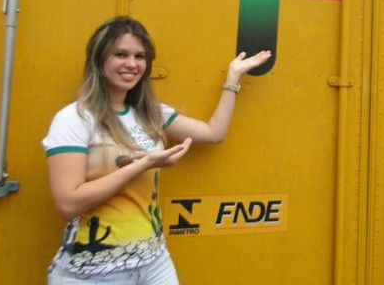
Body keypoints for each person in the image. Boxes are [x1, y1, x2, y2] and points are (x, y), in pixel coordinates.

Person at [42, 16, 271, 284]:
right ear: (99, 59)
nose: (132, 64)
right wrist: (143, 164)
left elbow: (213, 133)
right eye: (121, 54)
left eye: (139, 56)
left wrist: (233, 76)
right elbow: (68, 204)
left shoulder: (151, 113)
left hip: (154, 262)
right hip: (94, 271)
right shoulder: (75, 118)